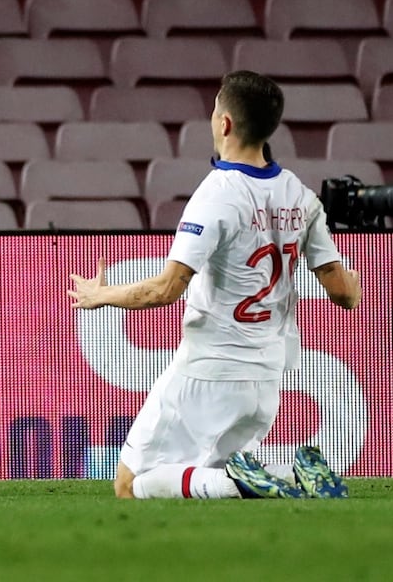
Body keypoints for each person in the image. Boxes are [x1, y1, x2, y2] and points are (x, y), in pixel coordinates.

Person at [67, 70, 362, 500]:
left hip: (210, 370)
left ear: (224, 123)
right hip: (266, 379)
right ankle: (290, 472)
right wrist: (352, 281)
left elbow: (167, 288)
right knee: (206, 472)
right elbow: (343, 293)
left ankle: (255, 481)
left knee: (130, 484)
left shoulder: (217, 194)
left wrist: (101, 295)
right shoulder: (300, 196)